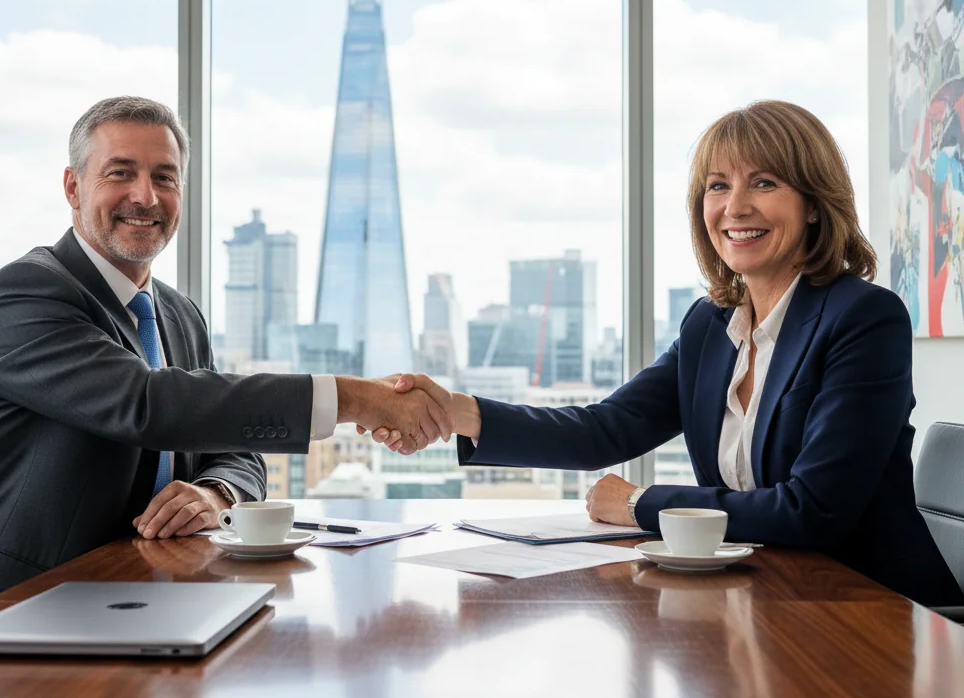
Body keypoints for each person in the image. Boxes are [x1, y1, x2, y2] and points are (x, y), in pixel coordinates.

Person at [373, 100, 964, 608]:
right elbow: (607, 429)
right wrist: (456, 412)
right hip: (757, 595)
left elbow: (811, 511)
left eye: (764, 183)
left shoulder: (863, 318)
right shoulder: (711, 324)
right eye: (717, 185)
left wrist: (639, 504)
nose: (735, 207)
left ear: (813, 203)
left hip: (873, 611)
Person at [0, 96, 451, 600]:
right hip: (17, 600)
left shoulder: (179, 313)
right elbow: (145, 403)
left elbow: (237, 450)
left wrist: (215, 494)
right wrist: (354, 398)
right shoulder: (26, 293)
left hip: (144, 588)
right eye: (120, 173)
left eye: (165, 177)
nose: (145, 196)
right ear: (74, 187)